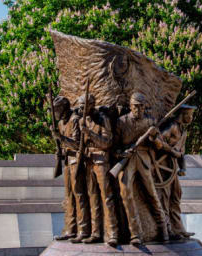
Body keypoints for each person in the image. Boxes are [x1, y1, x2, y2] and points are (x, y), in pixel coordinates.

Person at [115, 92, 169, 245]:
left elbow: (159, 146)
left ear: (145, 107)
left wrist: (153, 137)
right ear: (130, 106)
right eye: (135, 106)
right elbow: (114, 147)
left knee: (152, 194)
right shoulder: (121, 122)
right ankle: (135, 234)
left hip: (144, 160)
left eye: (141, 107)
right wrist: (122, 152)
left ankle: (163, 229)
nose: (138, 110)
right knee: (126, 194)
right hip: (127, 160)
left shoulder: (150, 122)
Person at [78, 94, 119, 247]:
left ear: (92, 105)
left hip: (101, 161)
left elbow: (107, 143)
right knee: (92, 197)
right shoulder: (83, 120)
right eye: (80, 107)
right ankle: (96, 232)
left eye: (84, 107)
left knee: (106, 197)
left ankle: (113, 233)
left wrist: (89, 133)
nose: (81, 110)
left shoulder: (103, 120)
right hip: (88, 162)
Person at [50, 96, 90, 242]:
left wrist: (60, 138)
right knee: (69, 197)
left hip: (76, 161)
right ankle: (71, 229)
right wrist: (59, 151)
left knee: (79, 195)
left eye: (56, 110)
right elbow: (63, 146)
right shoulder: (60, 123)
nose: (54, 113)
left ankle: (84, 230)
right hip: (67, 162)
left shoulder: (74, 120)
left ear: (63, 108)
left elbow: (78, 144)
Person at [157, 105, 196, 240]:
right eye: (189, 115)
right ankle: (167, 229)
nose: (191, 118)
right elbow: (158, 141)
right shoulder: (171, 126)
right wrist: (171, 151)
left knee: (176, 196)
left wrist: (183, 168)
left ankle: (178, 228)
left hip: (172, 169)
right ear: (183, 114)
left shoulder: (183, 132)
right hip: (162, 168)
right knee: (164, 198)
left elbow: (181, 153)